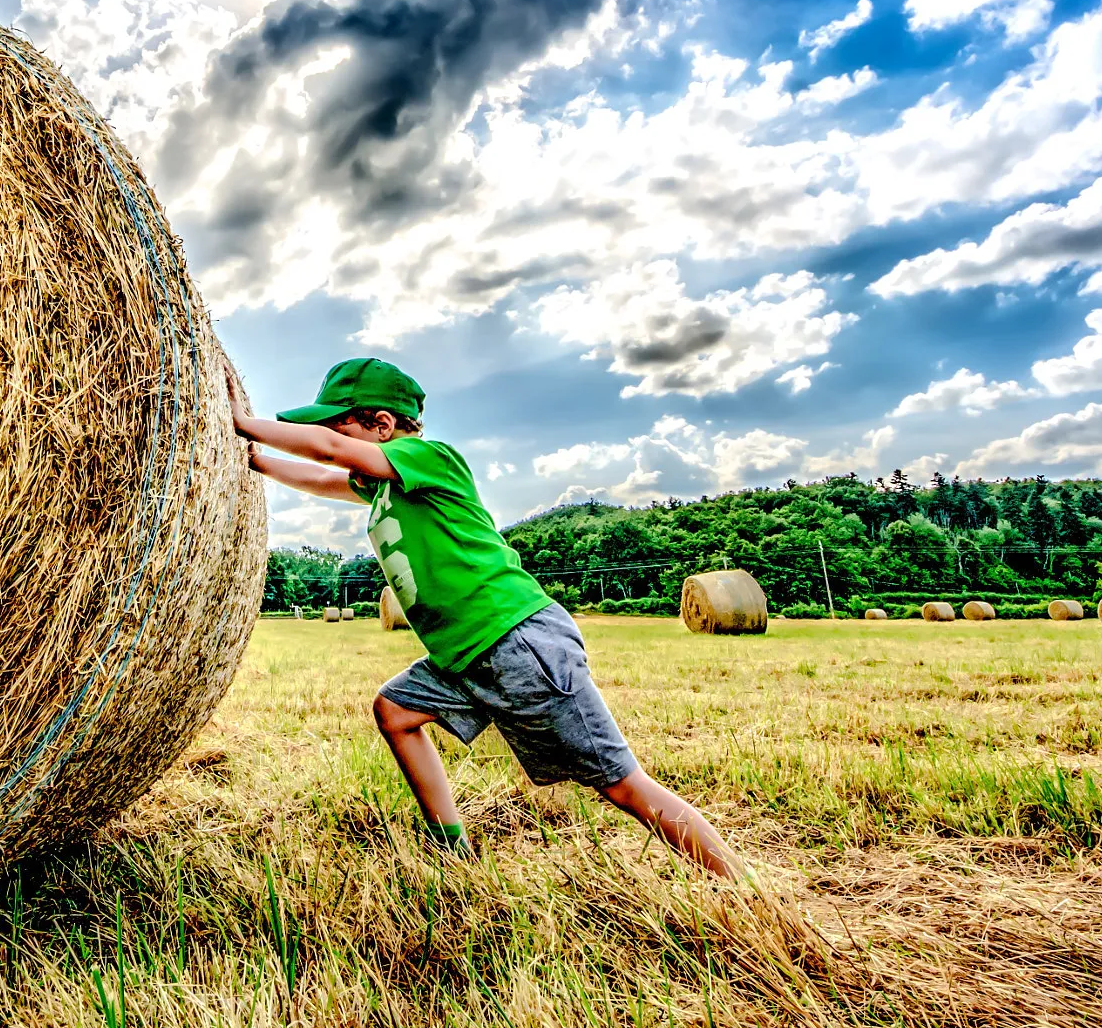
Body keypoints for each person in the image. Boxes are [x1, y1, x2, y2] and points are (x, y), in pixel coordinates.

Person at [230, 356, 741, 877]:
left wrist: (240, 421)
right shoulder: (381, 485)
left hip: (517, 640)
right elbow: (320, 475)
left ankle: (742, 886)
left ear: (382, 425)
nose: (331, 440)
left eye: (338, 423)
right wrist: (254, 459)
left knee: (621, 784)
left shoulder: (428, 457)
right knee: (395, 712)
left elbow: (330, 452)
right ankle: (452, 850)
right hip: (462, 655)